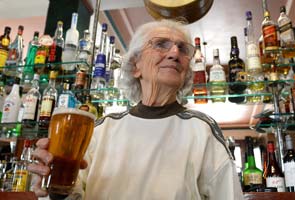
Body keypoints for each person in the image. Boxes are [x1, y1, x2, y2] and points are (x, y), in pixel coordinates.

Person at [28, 19, 244, 200]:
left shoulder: (202, 129)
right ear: (135, 67)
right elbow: (69, 195)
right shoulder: (101, 130)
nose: (175, 53)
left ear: (187, 71)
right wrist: (53, 187)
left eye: (183, 48)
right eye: (161, 44)